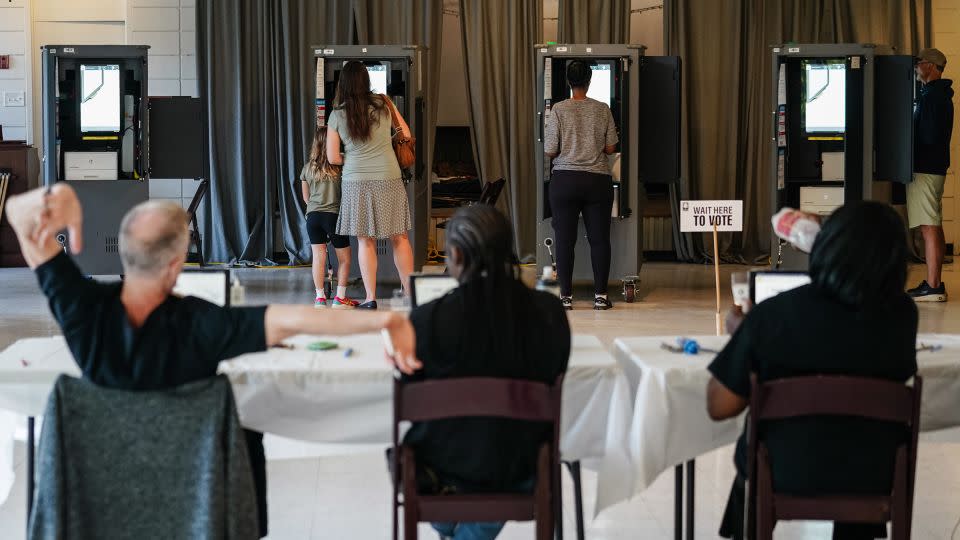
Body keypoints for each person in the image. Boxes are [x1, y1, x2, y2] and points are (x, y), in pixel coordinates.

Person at [5, 184, 421, 538]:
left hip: (102, 508)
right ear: (176, 263)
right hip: (193, 512)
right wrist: (386, 319)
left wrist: (56, 196)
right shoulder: (204, 326)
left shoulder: (82, 313)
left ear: (125, 251)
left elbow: (16, 215)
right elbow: (295, 319)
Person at [707, 201, 918, 540]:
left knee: (755, 452)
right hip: (872, 476)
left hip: (784, 471)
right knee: (857, 445)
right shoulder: (903, 316)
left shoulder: (775, 314)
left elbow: (720, 406)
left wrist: (745, 334)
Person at [401, 205, 570, 540]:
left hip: (441, 467)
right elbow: (555, 371)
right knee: (496, 453)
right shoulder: (549, 313)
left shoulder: (426, 320)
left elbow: (411, 386)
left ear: (457, 254)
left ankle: (453, 524)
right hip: (519, 466)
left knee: (440, 457)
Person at [327, 61, 414, 309]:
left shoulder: (337, 114)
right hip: (389, 177)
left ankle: (370, 298)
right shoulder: (385, 104)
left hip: (356, 182)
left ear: (342, 84)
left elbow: (333, 158)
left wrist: (354, 157)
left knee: (366, 241)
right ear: (366, 81)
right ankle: (409, 294)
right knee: (400, 237)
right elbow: (405, 134)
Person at [544, 59, 619, 311]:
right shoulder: (603, 109)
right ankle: (600, 296)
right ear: (589, 81)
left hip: (564, 181)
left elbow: (550, 150)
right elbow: (610, 147)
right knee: (599, 240)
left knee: (564, 240)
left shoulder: (558, 110)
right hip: (597, 181)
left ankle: (565, 297)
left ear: (568, 81)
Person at [907, 48, 954, 302]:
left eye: (920, 63)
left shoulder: (933, 97)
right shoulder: (935, 94)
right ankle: (934, 282)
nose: (917, 67)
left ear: (933, 67)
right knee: (932, 223)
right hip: (932, 167)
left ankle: (933, 286)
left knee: (928, 226)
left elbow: (928, 135)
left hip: (926, 168)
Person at [300, 125, 358, 309]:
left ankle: (319, 298)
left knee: (318, 257)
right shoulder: (339, 165)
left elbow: (306, 198)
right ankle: (340, 298)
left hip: (313, 218)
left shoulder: (307, 168)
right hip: (333, 216)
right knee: (345, 258)